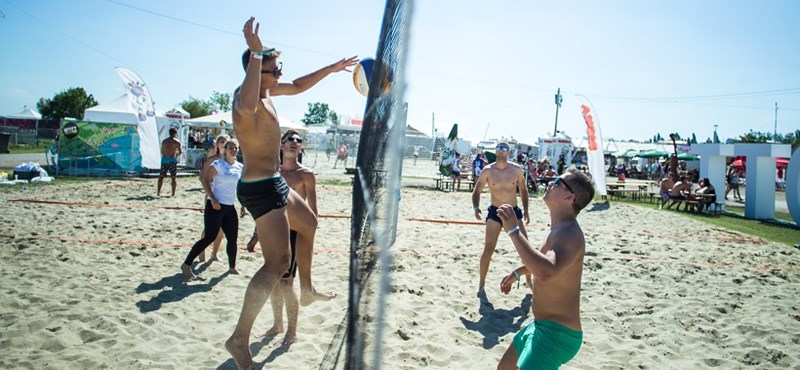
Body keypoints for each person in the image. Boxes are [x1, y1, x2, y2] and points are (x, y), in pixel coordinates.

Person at [225, 17, 357, 370]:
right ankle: (239, 339)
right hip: (259, 188)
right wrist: (256, 52)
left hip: (274, 183)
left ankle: (308, 290)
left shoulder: (268, 92)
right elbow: (248, 103)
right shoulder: (245, 100)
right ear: (257, 72)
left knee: (310, 222)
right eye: (274, 69)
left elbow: (298, 85)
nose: (280, 72)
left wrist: (333, 67)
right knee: (278, 265)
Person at [496, 169, 594, 370]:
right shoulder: (559, 228)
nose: (550, 182)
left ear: (569, 197)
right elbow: (544, 262)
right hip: (541, 326)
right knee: (505, 368)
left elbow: (547, 272)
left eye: (558, 182)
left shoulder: (569, 232)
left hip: (557, 334)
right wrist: (518, 273)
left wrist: (513, 231)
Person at [263, 129, 317, 345]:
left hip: (295, 232)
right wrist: (256, 234)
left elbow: (313, 212)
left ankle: (292, 332)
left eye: (298, 140)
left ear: (301, 147)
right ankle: (278, 324)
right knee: (274, 281)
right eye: (290, 139)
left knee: (287, 283)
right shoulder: (273, 173)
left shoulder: (306, 174)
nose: (295, 142)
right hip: (273, 231)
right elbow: (266, 206)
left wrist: (309, 240)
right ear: (281, 145)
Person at [181, 139, 245, 279]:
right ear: (225, 150)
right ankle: (186, 264)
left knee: (232, 239)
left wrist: (243, 205)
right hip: (215, 206)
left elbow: (240, 188)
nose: (233, 150)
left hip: (229, 206)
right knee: (209, 237)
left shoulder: (240, 167)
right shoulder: (219, 164)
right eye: (230, 148)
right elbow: (204, 179)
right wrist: (213, 198)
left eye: (235, 148)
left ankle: (232, 267)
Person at [471, 142, 531, 293]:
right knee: (488, 248)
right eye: (499, 148)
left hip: (513, 211)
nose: (501, 151)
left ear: (508, 152)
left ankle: (529, 281)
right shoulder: (488, 171)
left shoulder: (516, 170)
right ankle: (482, 284)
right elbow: (476, 191)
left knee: (527, 250)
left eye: (504, 149)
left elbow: (523, 190)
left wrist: (526, 210)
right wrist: (476, 207)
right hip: (495, 212)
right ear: (496, 152)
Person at [197, 134, 230, 263]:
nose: (223, 143)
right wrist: (210, 190)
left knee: (222, 227)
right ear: (217, 144)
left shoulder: (230, 161)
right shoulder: (212, 159)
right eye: (221, 141)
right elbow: (202, 177)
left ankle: (214, 254)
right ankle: (201, 252)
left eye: (226, 141)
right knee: (210, 226)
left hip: (226, 197)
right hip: (213, 195)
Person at [157, 127, 183, 197]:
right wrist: (175, 155)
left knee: (161, 177)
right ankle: (173, 193)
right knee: (173, 177)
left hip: (165, 159)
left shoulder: (165, 141)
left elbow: (162, 151)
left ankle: (158, 192)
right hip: (172, 159)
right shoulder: (177, 142)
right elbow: (180, 152)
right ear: (175, 133)